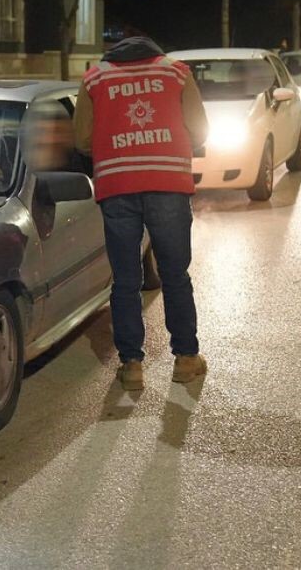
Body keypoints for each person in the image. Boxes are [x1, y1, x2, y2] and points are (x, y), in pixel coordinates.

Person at [73, 36, 209, 391]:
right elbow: (199, 130)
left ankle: (132, 365)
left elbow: (82, 140)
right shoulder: (176, 74)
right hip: (167, 182)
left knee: (126, 280)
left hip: (117, 185)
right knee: (175, 274)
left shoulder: (95, 78)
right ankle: (185, 358)